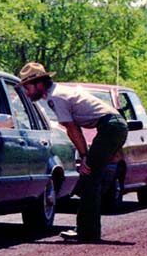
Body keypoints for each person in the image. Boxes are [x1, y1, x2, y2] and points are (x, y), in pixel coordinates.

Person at [18, 62, 129, 243]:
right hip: (112, 126)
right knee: (90, 176)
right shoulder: (58, 94)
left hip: (111, 127)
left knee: (89, 176)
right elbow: (74, 127)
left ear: (39, 83)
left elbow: (72, 129)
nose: (27, 92)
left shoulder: (57, 97)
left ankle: (87, 232)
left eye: (28, 87)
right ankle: (88, 230)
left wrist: (84, 156)